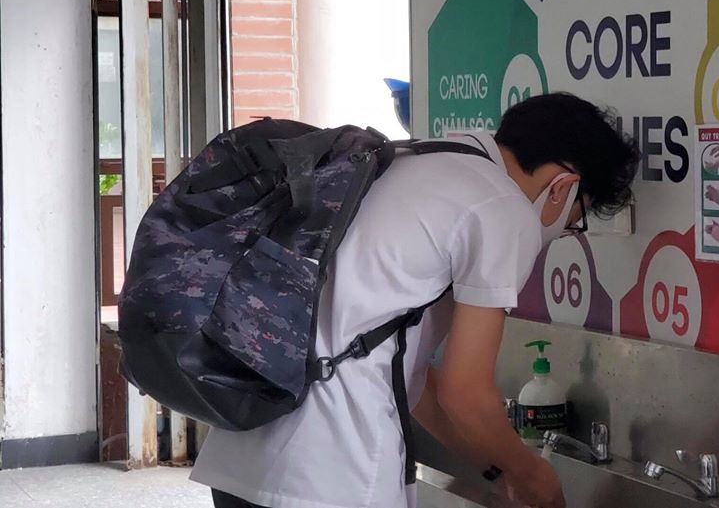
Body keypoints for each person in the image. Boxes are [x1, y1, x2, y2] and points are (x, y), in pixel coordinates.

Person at [190, 92, 640, 508]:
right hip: (333, 473)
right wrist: (531, 472)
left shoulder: (408, 161)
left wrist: (500, 467)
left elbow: (414, 378)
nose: (562, 230)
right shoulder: (503, 209)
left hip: (242, 450)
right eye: (575, 218)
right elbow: (466, 393)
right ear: (563, 187)